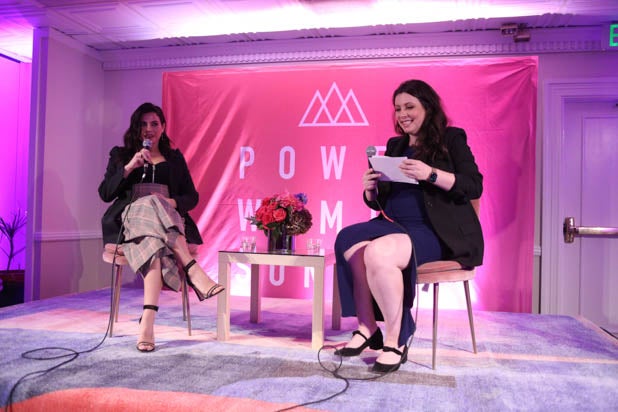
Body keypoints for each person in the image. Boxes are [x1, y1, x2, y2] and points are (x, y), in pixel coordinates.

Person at [334, 79, 483, 372]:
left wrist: (430, 174)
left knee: (378, 252)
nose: (402, 114)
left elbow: (473, 185)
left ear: (427, 107)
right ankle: (367, 327)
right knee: (346, 239)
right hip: (393, 224)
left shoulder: (452, 139)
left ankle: (396, 339)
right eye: (398, 108)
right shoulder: (396, 145)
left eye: (409, 107)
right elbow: (380, 202)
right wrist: (370, 190)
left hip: (435, 232)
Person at [98, 102, 224, 352]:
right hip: (131, 220)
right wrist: (129, 168)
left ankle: (147, 322)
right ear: (136, 128)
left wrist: (171, 202)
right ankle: (191, 268)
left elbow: (192, 196)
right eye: (143, 124)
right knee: (148, 203)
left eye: (154, 123)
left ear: (163, 127)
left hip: (168, 219)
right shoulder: (121, 155)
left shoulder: (174, 158)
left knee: (154, 238)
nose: (149, 129)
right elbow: (105, 193)